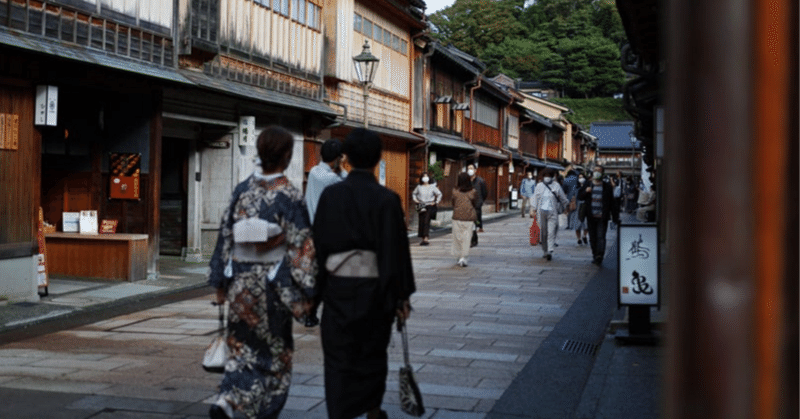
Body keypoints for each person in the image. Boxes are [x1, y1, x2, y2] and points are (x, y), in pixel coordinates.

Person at [207, 126, 319, 419]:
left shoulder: (242, 189)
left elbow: (225, 236)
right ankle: (263, 409)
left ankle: (228, 400)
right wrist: (308, 293)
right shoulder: (289, 195)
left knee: (241, 348)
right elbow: (301, 247)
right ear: (287, 155)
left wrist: (219, 282)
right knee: (274, 352)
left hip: (241, 285)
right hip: (273, 286)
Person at [312, 128, 415, 419]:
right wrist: (401, 296)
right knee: (372, 352)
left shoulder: (332, 196)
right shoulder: (387, 199)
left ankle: (340, 411)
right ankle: (372, 409)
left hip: (338, 288)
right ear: (377, 158)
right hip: (376, 289)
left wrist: (313, 293)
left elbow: (319, 247)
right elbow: (396, 252)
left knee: (338, 357)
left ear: (346, 158)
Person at [577, 165, 620, 265]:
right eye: (595, 170)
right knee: (592, 237)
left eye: (599, 171)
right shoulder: (588, 184)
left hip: (602, 216)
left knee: (601, 236)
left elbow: (612, 203)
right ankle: (594, 254)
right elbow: (580, 196)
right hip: (591, 215)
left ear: (602, 173)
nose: (596, 172)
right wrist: (585, 191)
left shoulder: (607, 186)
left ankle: (599, 256)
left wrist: (615, 217)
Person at [305, 138, 347, 223]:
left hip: (308, 224)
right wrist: (341, 166)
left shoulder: (313, 171)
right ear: (337, 159)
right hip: (322, 228)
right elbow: (350, 184)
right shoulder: (332, 178)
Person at [531, 168, 569, 261]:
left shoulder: (556, 186)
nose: (547, 178)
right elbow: (535, 197)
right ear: (543, 177)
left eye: (549, 176)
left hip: (553, 211)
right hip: (541, 211)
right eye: (545, 176)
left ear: (552, 177)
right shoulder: (539, 185)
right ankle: (544, 250)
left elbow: (562, 197)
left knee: (551, 232)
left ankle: (550, 250)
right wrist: (533, 208)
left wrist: (567, 205)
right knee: (544, 233)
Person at [451, 172, 479, 267]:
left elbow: (453, 203)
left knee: (457, 238)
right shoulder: (473, 191)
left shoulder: (455, 191)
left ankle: (459, 256)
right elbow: (475, 203)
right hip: (469, 217)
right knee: (467, 238)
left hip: (457, 216)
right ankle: (464, 258)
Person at [412, 172, 442, 246]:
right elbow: (414, 194)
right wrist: (415, 200)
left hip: (429, 205)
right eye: (423, 176)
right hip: (421, 204)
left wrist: (436, 202)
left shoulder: (432, 186)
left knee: (426, 221)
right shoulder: (419, 187)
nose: (425, 178)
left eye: (426, 176)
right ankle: (423, 238)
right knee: (421, 221)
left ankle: (426, 238)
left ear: (429, 178)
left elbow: (439, 194)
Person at [467, 163, 488, 232]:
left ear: (475, 170)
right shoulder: (465, 181)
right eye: (468, 169)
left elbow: (484, 192)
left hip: (477, 201)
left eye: (471, 168)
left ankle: (479, 226)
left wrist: (481, 200)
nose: (469, 170)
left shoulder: (480, 180)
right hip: (468, 201)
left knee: (477, 215)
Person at [571, 172, 590, 245]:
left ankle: (584, 235)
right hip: (577, 207)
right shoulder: (576, 187)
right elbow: (573, 196)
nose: (581, 179)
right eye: (579, 177)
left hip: (586, 206)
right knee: (577, 224)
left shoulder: (588, 186)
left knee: (586, 223)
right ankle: (578, 238)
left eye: (582, 177)